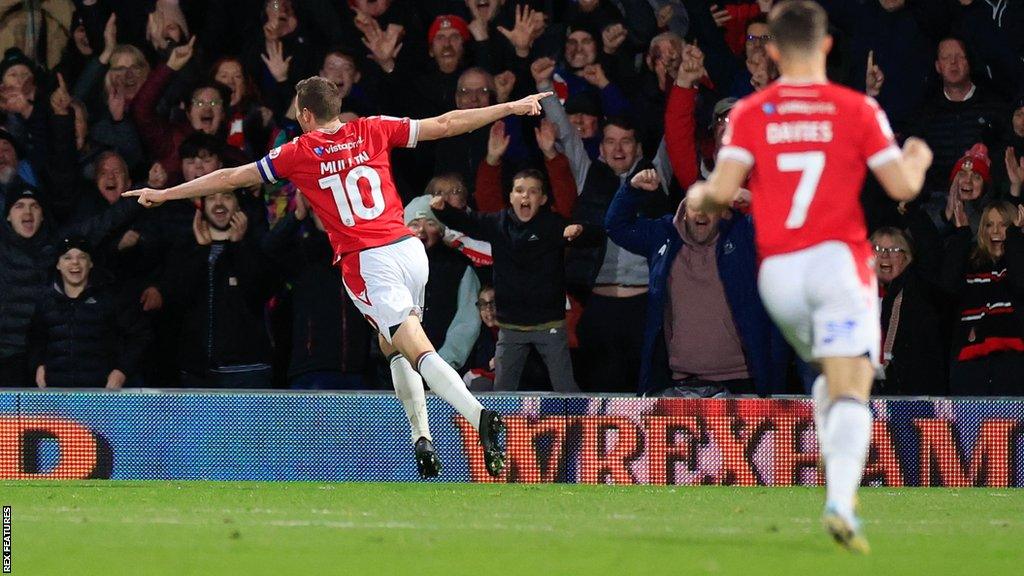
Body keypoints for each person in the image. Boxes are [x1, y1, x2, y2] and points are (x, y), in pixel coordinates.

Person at [126, 75, 551, 479]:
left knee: (417, 349)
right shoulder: (372, 129)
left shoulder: (299, 151)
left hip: (369, 262)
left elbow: (230, 177)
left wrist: (164, 194)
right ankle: (421, 436)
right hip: (408, 250)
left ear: (307, 116)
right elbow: (445, 123)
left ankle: (481, 417)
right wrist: (511, 105)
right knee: (393, 346)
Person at [685, 1, 932, 552]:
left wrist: (701, 193)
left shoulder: (752, 111)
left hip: (779, 275)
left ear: (771, 51)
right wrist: (916, 154)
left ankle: (827, 404)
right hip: (837, 264)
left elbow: (720, 192)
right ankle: (842, 501)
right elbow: (901, 188)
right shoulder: (856, 108)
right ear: (825, 46)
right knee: (854, 384)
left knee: (826, 371)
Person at [29, 237, 150, 388]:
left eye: (82, 257)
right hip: (56, 394)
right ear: (58, 264)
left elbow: (140, 336)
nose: (75, 263)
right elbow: (36, 340)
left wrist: (122, 371)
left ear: (90, 263)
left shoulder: (110, 299)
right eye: (67, 258)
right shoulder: (45, 301)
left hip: (100, 395)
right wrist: (38, 365)